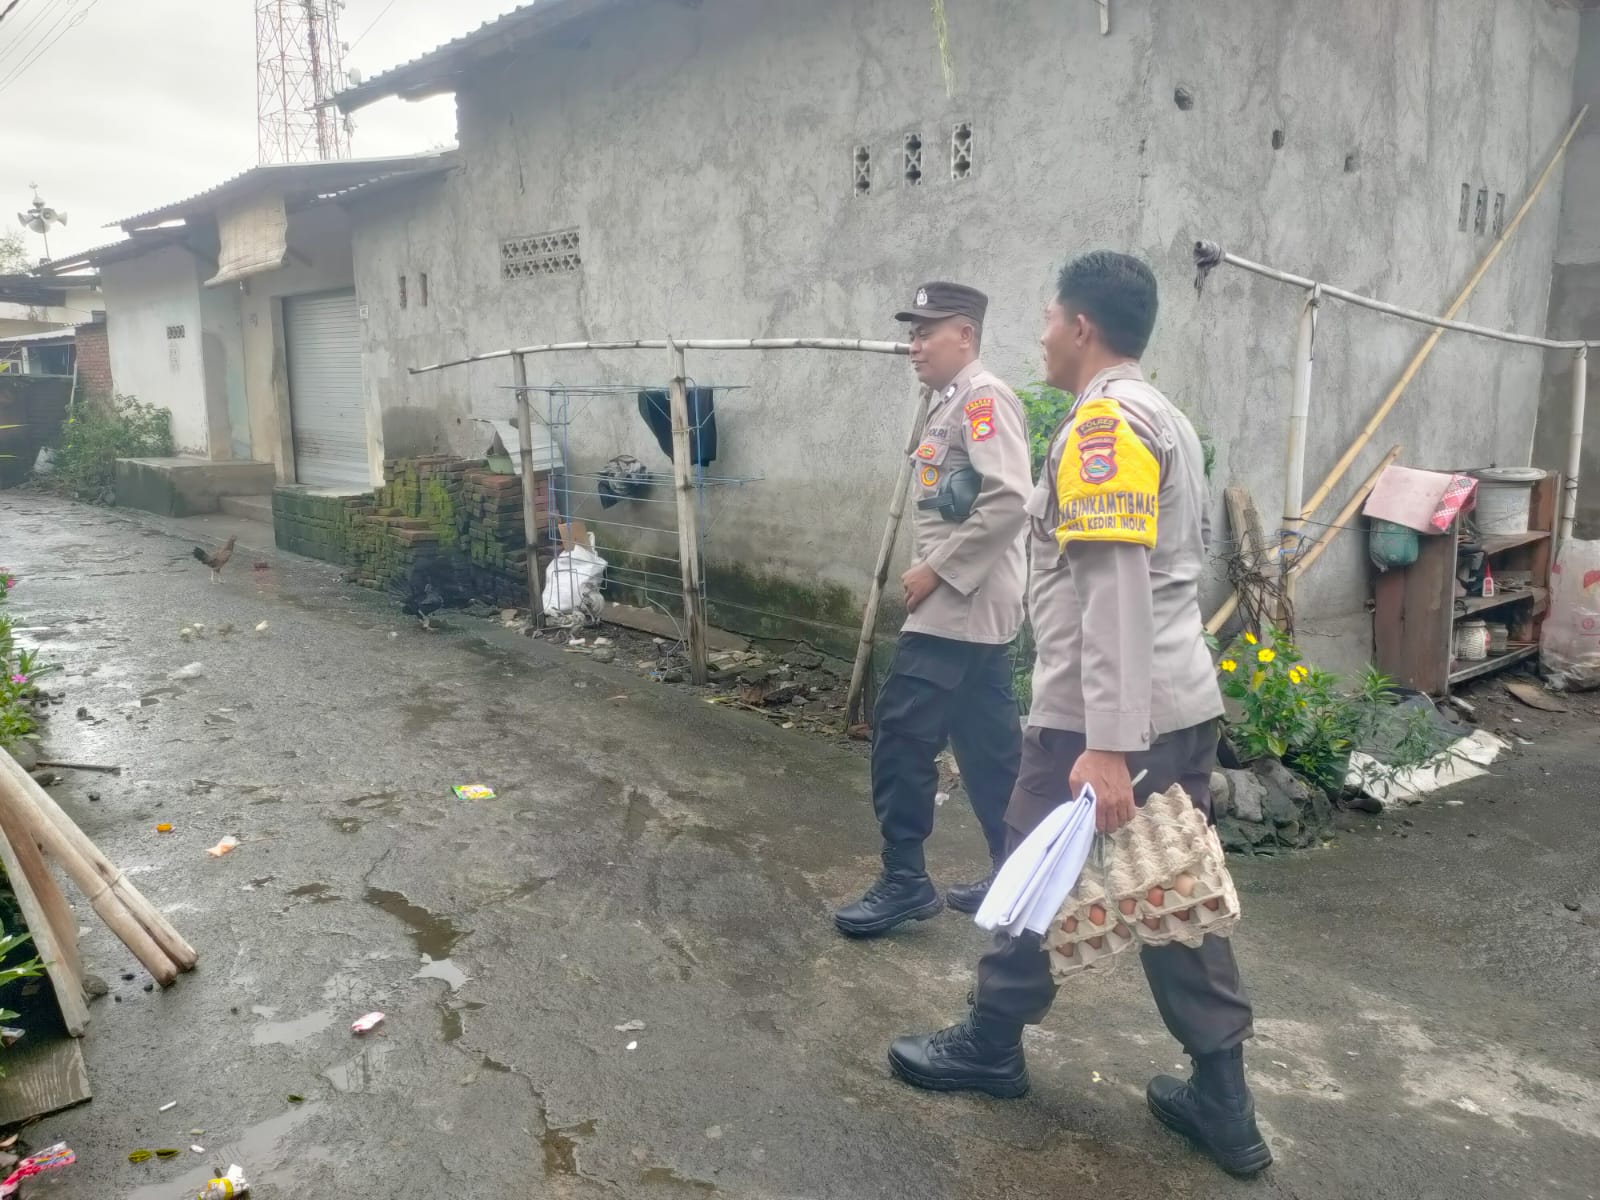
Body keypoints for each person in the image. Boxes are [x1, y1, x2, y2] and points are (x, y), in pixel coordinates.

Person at [885, 253, 1271, 1179]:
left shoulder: (1105, 425)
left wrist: (1105, 745)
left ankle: (992, 1043)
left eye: (1050, 319)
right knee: (1168, 886)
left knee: (1034, 871)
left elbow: (1115, 588)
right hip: (1170, 702)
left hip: (1105, 717)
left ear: (1083, 327)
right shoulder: (1160, 413)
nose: (1043, 335)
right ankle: (1222, 1098)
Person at [833, 282, 1031, 938]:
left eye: (926, 332)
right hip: (970, 607)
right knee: (988, 745)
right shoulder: (950, 401)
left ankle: (905, 881)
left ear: (965, 335)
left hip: (958, 605)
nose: (913, 346)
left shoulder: (983, 399)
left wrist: (935, 569)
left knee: (900, 734)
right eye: (911, 334)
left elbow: (1009, 498)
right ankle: (1016, 876)